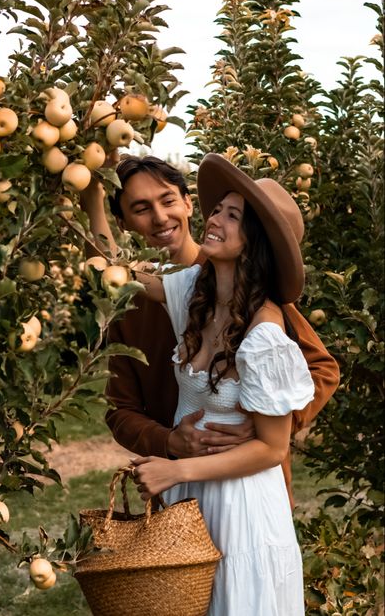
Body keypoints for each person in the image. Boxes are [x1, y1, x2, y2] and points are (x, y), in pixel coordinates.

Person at [81, 154, 339, 507]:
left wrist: (267, 422)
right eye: (141, 208)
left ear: (188, 203)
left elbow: (322, 368)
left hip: (247, 490)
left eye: (168, 200)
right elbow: (108, 276)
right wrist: (168, 442)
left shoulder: (249, 292)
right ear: (123, 223)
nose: (159, 217)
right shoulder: (151, 298)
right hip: (179, 497)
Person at [128, 153, 317, 614]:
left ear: (255, 241)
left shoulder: (265, 334)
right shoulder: (196, 294)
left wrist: (176, 469)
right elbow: (121, 276)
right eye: (218, 209)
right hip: (191, 499)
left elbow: (273, 450)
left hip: (241, 508)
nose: (214, 219)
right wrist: (94, 187)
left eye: (233, 215)